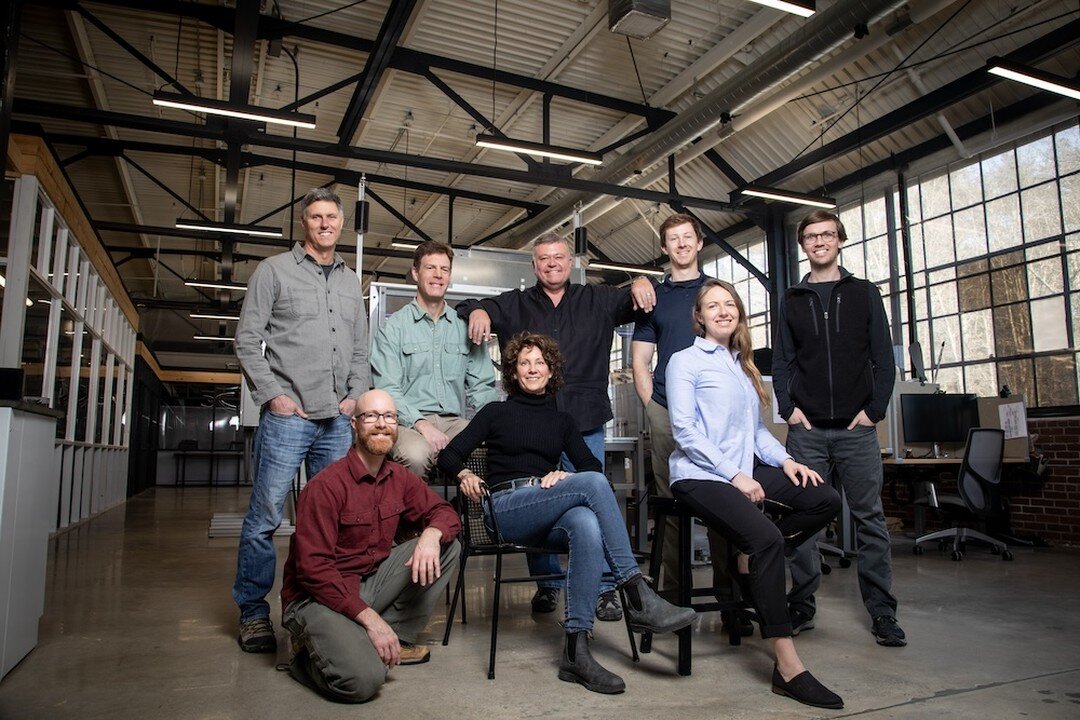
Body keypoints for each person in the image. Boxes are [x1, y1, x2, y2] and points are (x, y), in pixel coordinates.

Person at [437, 332, 695, 695]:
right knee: (590, 486)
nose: (532, 369)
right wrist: (464, 474)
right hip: (505, 508)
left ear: (551, 369)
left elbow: (590, 467)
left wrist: (567, 476)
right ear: (513, 370)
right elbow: (448, 454)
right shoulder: (495, 412)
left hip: (546, 507)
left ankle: (576, 650)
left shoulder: (562, 421)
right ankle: (636, 594)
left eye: (539, 362)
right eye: (524, 362)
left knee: (586, 523)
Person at [456, 232, 654, 620]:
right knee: (541, 504)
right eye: (543, 258)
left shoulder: (597, 298)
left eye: (559, 257)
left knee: (591, 502)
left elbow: (641, 296)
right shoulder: (514, 303)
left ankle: (603, 589)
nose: (551, 264)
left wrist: (644, 280)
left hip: (584, 422)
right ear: (534, 265)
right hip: (535, 426)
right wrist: (478, 309)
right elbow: (466, 305)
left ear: (571, 262)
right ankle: (549, 586)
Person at [667, 279, 844, 709]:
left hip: (745, 469)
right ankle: (787, 667)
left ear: (739, 314)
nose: (723, 310)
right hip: (700, 475)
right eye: (713, 305)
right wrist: (733, 475)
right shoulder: (684, 361)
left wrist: (786, 462)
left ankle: (750, 559)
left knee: (824, 499)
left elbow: (757, 431)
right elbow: (685, 432)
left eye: (730, 304)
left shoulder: (741, 365)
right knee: (764, 538)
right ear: (700, 316)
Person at [232, 187, 370, 653]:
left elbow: (360, 349)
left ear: (342, 222)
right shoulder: (273, 271)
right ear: (304, 222)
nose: (325, 224)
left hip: (337, 420)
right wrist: (273, 397)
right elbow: (248, 341)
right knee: (265, 517)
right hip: (290, 416)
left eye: (332, 217)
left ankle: (320, 607)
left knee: (329, 520)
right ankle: (254, 613)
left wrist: (355, 395)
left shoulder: (353, 282)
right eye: (316, 217)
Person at [772, 209, 904, 647]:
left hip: (857, 430)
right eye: (811, 236)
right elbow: (782, 361)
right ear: (803, 245)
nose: (819, 242)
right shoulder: (792, 298)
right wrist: (789, 410)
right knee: (803, 520)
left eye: (827, 234)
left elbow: (884, 359)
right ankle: (802, 605)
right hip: (807, 431)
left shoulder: (865, 293)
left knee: (870, 520)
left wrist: (874, 411)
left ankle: (883, 612)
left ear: (840, 240)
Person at [281, 390, 461, 703]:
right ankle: (304, 656)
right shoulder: (324, 487)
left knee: (447, 544)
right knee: (363, 681)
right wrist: (370, 620)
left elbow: (445, 514)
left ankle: (395, 637)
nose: (381, 424)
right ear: (354, 424)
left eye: (389, 416)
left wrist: (431, 535)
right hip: (318, 597)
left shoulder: (399, 477)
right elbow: (314, 571)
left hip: (369, 581)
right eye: (371, 416)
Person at [631, 213, 749, 634]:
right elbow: (640, 361)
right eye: (672, 239)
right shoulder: (653, 297)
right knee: (673, 506)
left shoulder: (718, 294)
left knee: (725, 504)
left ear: (699, 243)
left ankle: (728, 596)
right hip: (667, 411)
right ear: (664, 248)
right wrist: (654, 411)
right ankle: (674, 601)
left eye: (687, 238)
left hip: (715, 416)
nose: (680, 245)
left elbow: (737, 350)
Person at [371, 240, 497, 478]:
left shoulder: (464, 326)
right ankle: (417, 515)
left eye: (444, 269)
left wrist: (496, 423)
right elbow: (387, 389)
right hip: (408, 423)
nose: (438, 275)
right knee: (416, 456)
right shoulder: (394, 328)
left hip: (455, 422)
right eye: (430, 268)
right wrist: (422, 424)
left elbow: (482, 386)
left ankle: (471, 515)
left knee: (496, 449)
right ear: (416, 273)